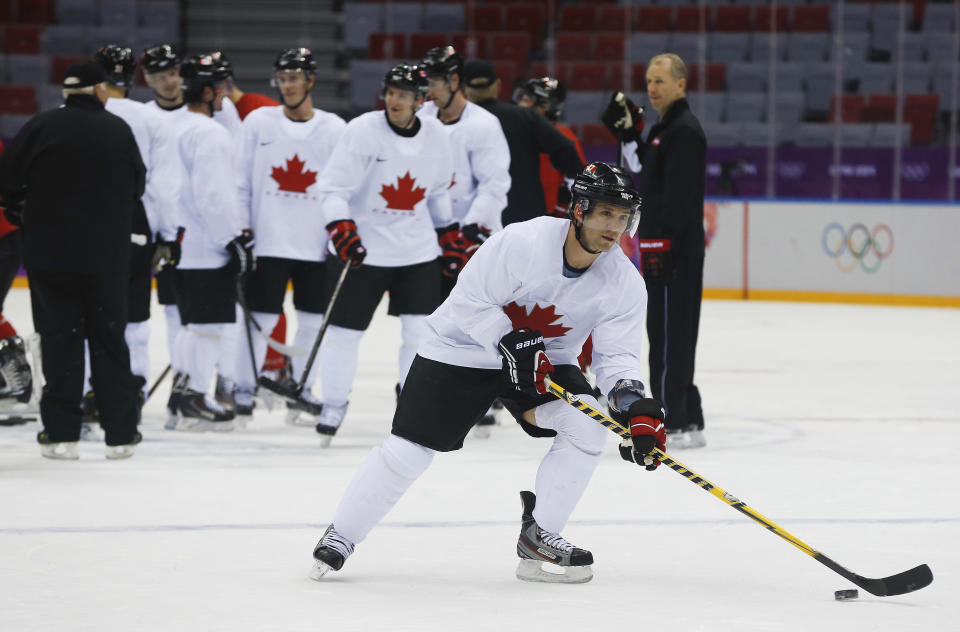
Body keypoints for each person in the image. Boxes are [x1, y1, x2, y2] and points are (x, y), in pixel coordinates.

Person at [308, 162, 666, 584]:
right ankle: (342, 535)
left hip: (543, 364)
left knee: (587, 423)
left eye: (624, 218)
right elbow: (467, 301)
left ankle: (540, 537)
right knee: (408, 451)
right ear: (579, 209)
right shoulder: (522, 242)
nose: (615, 227)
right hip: (461, 349)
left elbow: (617, 359)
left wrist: (632, 405)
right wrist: (506, 338)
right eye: (606, 213)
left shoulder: (624, 281)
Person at [0, 61, 146, 459]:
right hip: (106, 258)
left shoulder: (42, 126)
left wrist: (18, 209)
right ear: (99, 89)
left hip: (51, 256)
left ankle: (61, 434)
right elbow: (138, 186)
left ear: (67, 92)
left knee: (59, 341)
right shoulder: (118, 130)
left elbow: (8, 181)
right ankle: (121, 434)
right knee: (109, 341)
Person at [311, 62, 456, 446]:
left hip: (417, 250)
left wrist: (448, 232)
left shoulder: (437, 137)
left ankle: (412, 405)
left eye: (404, 94)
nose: (395, 99)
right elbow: (331, 188)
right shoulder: (361, 130)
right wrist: (340, 225)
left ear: (420, 101)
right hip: (363, 252)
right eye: (391, 92)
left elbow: (439, 191)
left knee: (419, 334)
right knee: (344, 334)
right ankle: (334, 404)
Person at [231, 47, 346, 423]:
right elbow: (240, 180)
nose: (288, 85)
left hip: (315, 245)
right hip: (267, 242)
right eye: (282, 78)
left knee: (312, 322)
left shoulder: (333, 129)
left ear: (311, 80)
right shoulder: (259, 123)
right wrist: (242, 227)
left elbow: (343, 186)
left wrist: (336, 233)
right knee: (259, 319)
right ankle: (243, 389)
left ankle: (301, 389)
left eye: (295, 77)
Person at [604, 53, 707, 449]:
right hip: (670, 248)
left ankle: (673, 415)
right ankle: (688, 414)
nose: (652, 88)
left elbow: (678, 199)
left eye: (661, 80)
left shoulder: (682, 130)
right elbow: (647, 175)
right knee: (673, 333)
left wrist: (660, 244)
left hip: (672, 252)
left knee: (667, 336)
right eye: (649, 80)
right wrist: (631, 136)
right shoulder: (667, 129)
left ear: (681, 84)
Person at [86, 44, 182, 416]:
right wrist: (168, 236)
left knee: (85, 309)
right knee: (134, 314)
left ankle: (86, 389)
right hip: (133, 224)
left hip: (83, 225)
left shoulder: (72, 114)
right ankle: (132, 391)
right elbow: (163, 186)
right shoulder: (150, 120)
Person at [167, 53, 252, 430]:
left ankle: (184, 389)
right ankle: (198, 396)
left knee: (191, 324)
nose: (226, 96)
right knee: (208, 327)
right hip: (206, 245)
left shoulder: (173, 126)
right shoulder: (210, 134)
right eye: (221, 88)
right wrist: (231, 239)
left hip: (180, 243)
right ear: (206, 91)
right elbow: (213, 195)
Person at [418, 45, 510, 299]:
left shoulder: (483, 124)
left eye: (434, 82)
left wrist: (467, 232)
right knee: (423, 320)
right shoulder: (421, 118)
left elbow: (494, 186)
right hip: (432, 239)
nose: (428, 91)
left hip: (473, 240)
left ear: (454, 80)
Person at [461, 60, 584, 227]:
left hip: (475, 217)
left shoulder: (452, 121)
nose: (522, 103)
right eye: (522, 98)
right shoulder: (526, 119)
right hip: (526, 219)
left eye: (527, 99)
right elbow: (571, 163)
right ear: (497, 85)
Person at [513, 77, 586, 217]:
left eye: (526, 100)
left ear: (545, 106)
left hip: (543, 219)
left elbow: (578, 183)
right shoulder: (513, 131)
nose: (520, 104)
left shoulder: (564, 137)